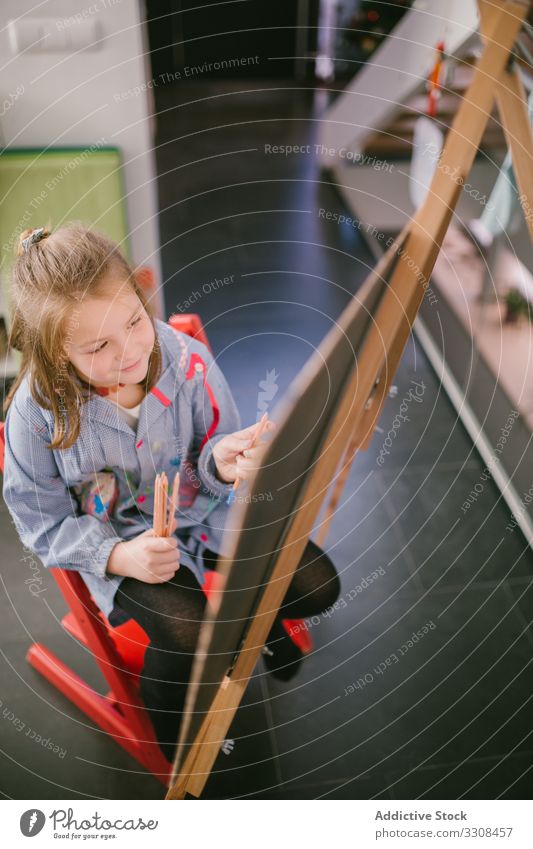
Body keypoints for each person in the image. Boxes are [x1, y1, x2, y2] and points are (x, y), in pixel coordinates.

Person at [2, 222, 341, 763]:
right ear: (58, 353)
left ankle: (267, 619)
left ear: (140, 296)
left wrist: (224, 463)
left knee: (318, 586)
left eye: (135, 320)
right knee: (189, 640)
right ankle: (162, 705)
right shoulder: (36, 417)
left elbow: (214, 450)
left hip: (208, 514)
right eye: (98, 347)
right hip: (126, 546)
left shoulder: (183, 358)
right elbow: (40, 524)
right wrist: (118, 554)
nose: (131, 351)